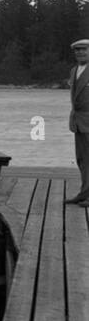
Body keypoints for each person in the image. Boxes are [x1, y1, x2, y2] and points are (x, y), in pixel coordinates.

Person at [70, 38, 89, 206]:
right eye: (77, 50)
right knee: (82, 159)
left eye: (84, 50)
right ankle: (84, 193)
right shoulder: (74, 70)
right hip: (78, 121)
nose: (80, 53)